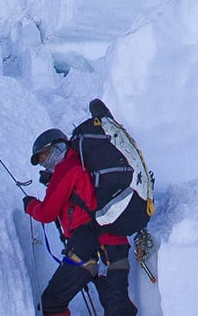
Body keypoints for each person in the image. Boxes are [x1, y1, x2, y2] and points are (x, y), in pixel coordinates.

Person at [24, 127, 138, 316]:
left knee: (52, 303)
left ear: (57, 147)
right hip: (115, 243)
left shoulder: (67, 167)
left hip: (87, 243)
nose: (44, 163)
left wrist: (30, 205)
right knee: (118, 309)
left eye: (43, 156)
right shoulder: (85, 163)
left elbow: (46, 213)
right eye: (41, 161)